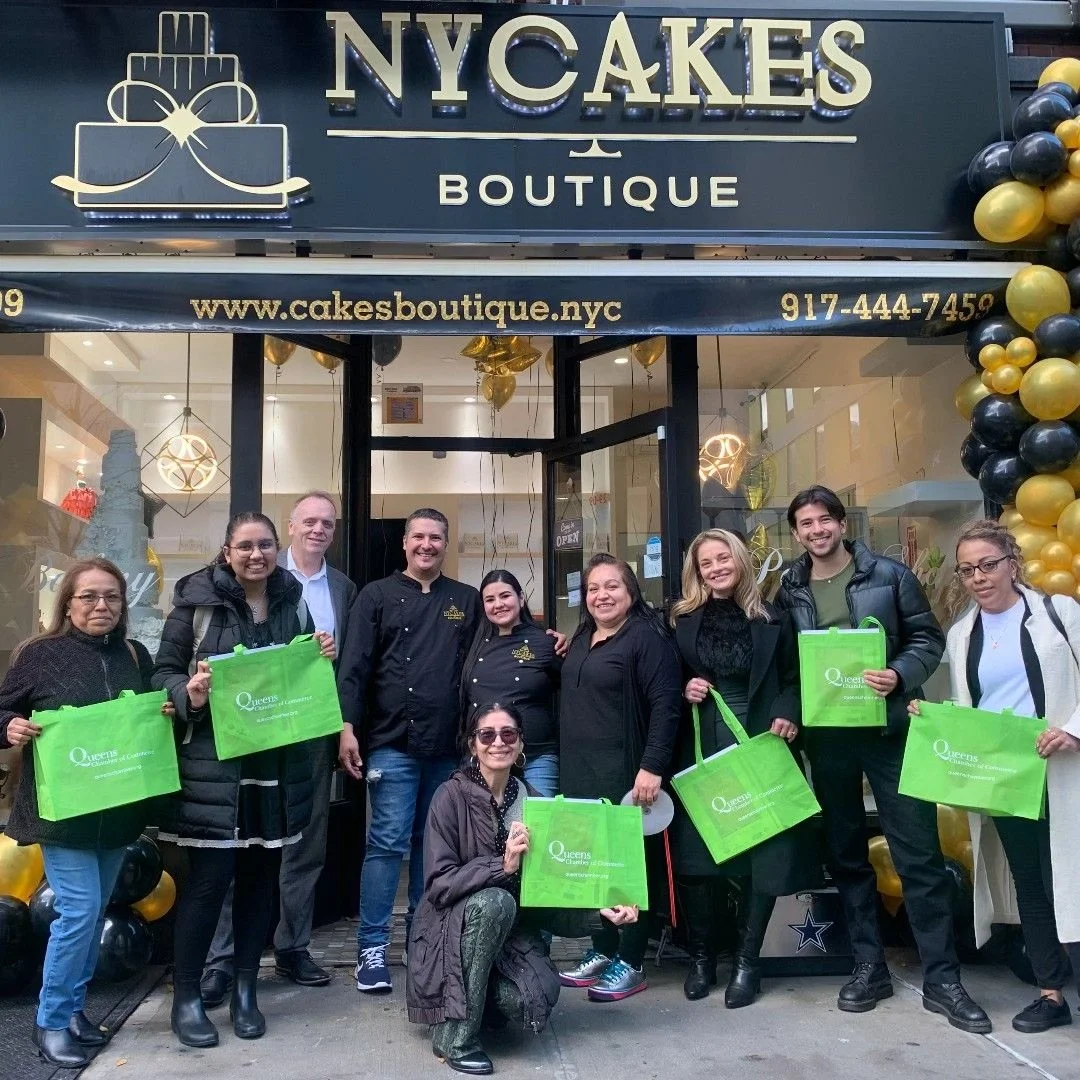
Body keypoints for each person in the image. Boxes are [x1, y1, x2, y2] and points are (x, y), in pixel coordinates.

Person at [775, 485, 991, 1033]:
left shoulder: (890, 576)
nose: (817, 530)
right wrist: (790, 712)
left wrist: (898, 674)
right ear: (796, 533)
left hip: (890, 733)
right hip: (827, 740)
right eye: (806, 523)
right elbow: (786, 667)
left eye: (824, 520)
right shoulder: (790, 589)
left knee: (917, 854)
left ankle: (943, 979)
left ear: (841, 523)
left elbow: (927, 639)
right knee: (847, 856)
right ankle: (868, 967)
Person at [152, 511, 335, 1048]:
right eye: (246, 547)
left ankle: (247, 991)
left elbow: (302, 679)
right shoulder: (195, 605)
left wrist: (320, 657)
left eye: (265, 546)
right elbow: (162, 673)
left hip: (274, 767)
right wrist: (189, 692)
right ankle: (187, 997)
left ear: (278, 548)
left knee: (261, 881)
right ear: (227, 551)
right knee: (208, 885)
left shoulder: (293, 602)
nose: (257, 555)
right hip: (215, 769)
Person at [910, 519, 1080, 1034]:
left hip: (1064, 768)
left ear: (1012, 562)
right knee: (1031, 882)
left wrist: (1074, 731)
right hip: (1009, 778)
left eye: (987, 564)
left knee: (1071, 875)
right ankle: (1051, 994)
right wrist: (934, 718)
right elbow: (971, 709)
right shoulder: (962, 635)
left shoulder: (1060, 613)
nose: (978, 577)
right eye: (967, 570)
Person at [0, 558, 170, 1069]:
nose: (101, 606)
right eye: (89, 596)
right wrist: (10, 726)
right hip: (63, 814)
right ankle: (51, 1021)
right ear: (68, 604)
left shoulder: (135, 654)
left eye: (111, 596)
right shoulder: (38, 654)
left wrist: (163, 710)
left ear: (123, 604)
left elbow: (148, 721)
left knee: (92, 913)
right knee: (77, 912)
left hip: (116, 811)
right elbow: (2, 709)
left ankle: (73, 1011)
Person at [407, 703, 639, 1076]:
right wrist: (502, 866)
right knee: (495, 902)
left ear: (520, 745)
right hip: (446, 931)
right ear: (473, 745)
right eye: (487, 735)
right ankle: (454, 1037)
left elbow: (545, 901)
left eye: (508, 734)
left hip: (507, 937)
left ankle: (473, 1004)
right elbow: (438, 885)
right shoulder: (450, 796)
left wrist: (600, 914)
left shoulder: (534, 804)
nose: (498, 742)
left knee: (526, 999)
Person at [201, 491, 357, 1005]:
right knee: (236, 843)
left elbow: (343, 666)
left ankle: (293, 947)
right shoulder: (249, 582)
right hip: (246, 734)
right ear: (290, 526)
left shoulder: (343, 588)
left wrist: (340, 720)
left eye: (327, 523)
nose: (318, 529)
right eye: (309, 520)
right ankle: (223, 960)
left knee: (306, 844)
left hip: (307, 731)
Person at [671, 529, 821, 1005]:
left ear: (739, 560)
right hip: (703, 745)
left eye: (723, 558)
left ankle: (747, 961)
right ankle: (701, 959)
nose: (716, 568)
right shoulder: (679, 621)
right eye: (706, 563)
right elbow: (662, 678)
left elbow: (796, 678)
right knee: (698, 860)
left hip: (760, 744)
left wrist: (789, 712)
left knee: (762, 855)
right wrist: (685, 688)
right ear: (696, 573)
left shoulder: (773, 618)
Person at [337, 508, 482, 995]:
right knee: (386, 844)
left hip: (448, 746)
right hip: (392, 743)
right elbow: (354, 667)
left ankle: (424, 941)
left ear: (446, 543)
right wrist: (347, 728)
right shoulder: (375, 596)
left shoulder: (465, 599)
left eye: (435, 537)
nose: (426, 544)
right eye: (418, 536)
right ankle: (372, 948)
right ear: (404, 542)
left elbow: (483, 662)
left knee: (433, 846)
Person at [555, 553, 682, 1002]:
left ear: (631, 592)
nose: (602, 595)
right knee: (596, 868)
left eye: (612, 586)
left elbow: (667, 706)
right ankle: (603, 949)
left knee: (630, 869)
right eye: (593, 588)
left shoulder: (646, 638)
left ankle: (631, 960)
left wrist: (653, 767)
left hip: (628, 776)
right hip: (583, 775)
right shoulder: (583, 635)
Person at [460, 570, 561, 797]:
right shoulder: (474, 644)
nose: (498, 604)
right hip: (485, 756)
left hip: (536, 756)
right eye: (490, 599)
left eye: (505, 596)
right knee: (484, 818)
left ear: (521, 598)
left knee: (537, 817)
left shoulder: (546, 642)